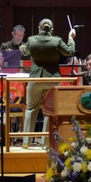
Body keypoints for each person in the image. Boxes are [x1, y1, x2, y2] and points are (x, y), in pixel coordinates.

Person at [21, 18, 76, 148]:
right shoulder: (56, 40)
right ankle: (45, 144)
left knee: (30, 109)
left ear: (39, 28)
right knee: (48, 112)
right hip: (52, 79)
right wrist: (71, 37)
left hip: (35, 78)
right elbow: (70, 51)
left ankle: (25, 142)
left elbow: (25, 51)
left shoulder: (31, 40)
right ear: (52, 30)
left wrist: (22, 46)